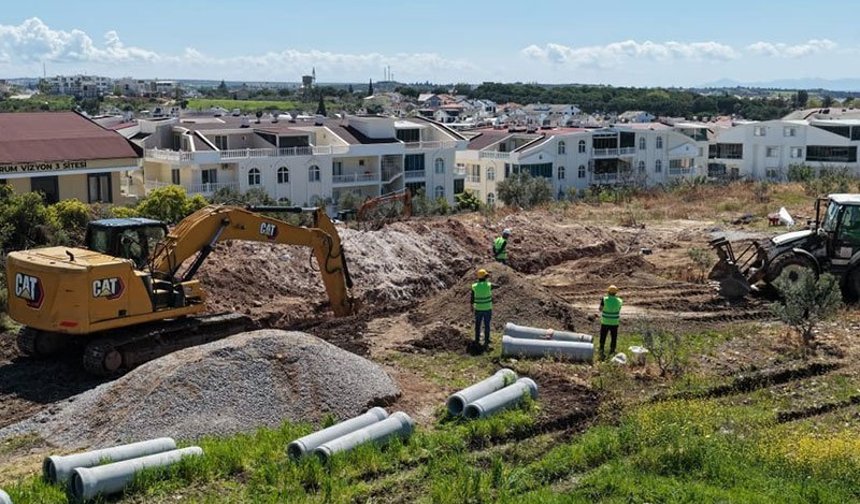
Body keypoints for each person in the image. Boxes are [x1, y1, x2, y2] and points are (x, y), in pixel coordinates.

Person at [471, 268, 495, 351]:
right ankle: (486, 340)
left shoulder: (474, 286)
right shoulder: (489, 285)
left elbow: (472, 298)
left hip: (478, 309)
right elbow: (497, 285)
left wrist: (471, 306)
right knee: (487, 325)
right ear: (485, 277)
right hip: (487, 308)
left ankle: (477, 340)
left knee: (478, 325)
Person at [598, 285, 623, 361]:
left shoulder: (604, 299)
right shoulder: (619, 300)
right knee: (614, 337)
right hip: (614, 322)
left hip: (605, 321)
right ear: (616, 293)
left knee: (603, 336)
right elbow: (619, 309)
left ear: (608, 291)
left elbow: (600, 309)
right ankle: (612, 350)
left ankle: (601, 349)